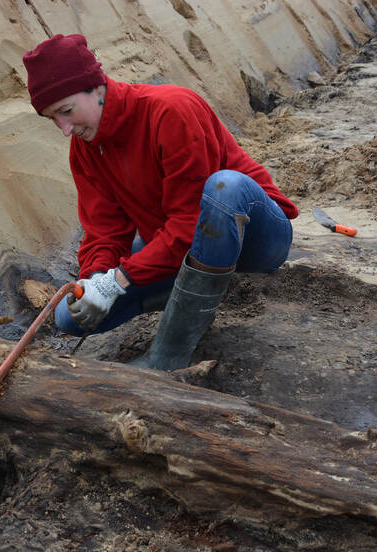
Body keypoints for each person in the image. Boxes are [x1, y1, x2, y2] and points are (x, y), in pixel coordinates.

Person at [22, 34, 298, 371]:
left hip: (258, 239)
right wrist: (93, 281)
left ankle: (167, 356)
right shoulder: (85, 148)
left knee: (225, 187)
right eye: (53, 119)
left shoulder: (171, 110)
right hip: (187, 249)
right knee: (70, 316)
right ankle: (188, 293)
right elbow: (103, 231)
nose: (64, 129)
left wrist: (118, 281)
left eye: (66, 111)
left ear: (97, 88)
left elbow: (187, 223)